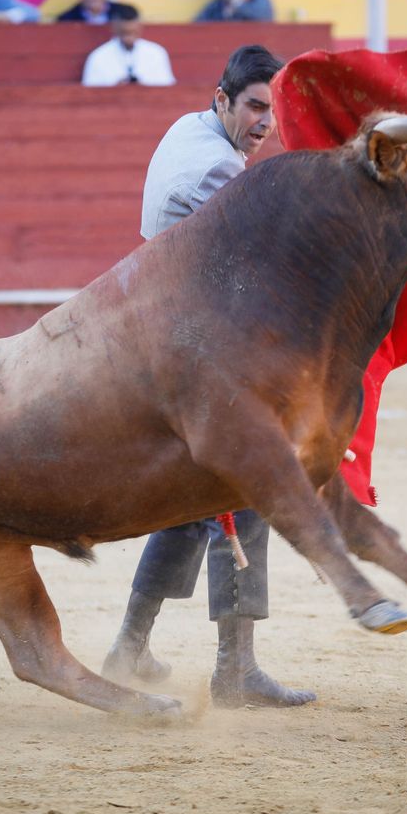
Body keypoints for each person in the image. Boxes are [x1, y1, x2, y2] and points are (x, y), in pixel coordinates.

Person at [99, 44, 317, 709]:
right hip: (193, 356)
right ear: (222, 99)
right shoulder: (220, 167)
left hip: (162, 343)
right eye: (254, 106)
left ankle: (129, 647)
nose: (264, 122)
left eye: (273, 110)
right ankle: (236, 671)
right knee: (249, 487)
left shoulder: (186, 129)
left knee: (189, 508)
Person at [81, 9, 175, 87]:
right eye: (124, 33)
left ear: (139, 27)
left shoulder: (156, 53)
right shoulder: (99, 56)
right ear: (114, 28)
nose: (128, 38)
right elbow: (90, 89)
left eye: (132, 32)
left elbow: (167, 86)